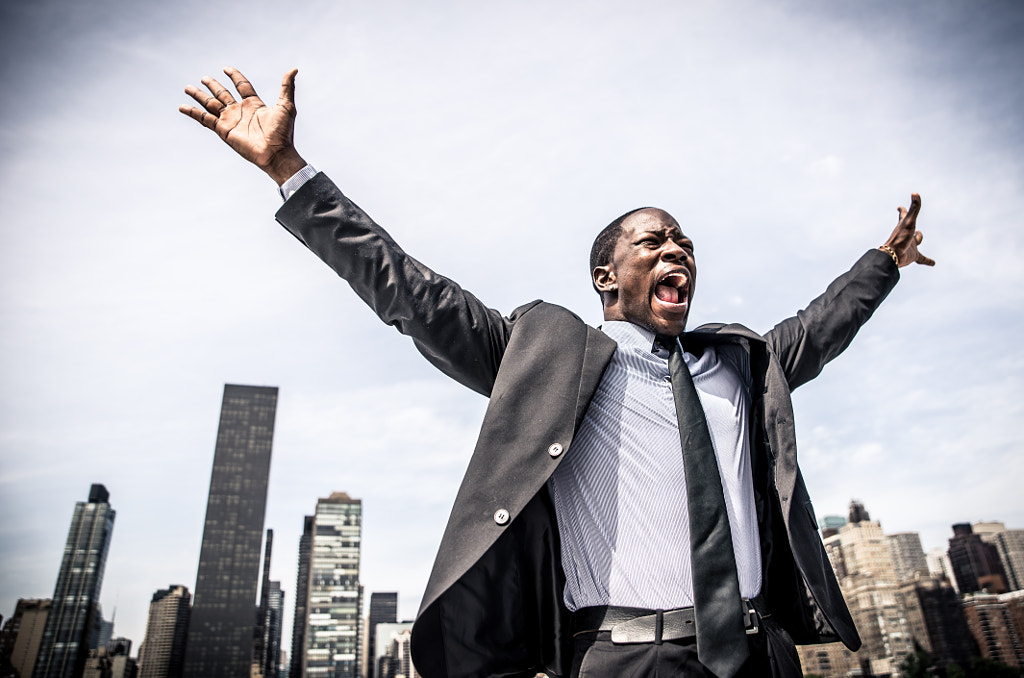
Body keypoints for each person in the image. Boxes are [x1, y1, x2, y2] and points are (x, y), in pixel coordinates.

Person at [180, 68, 934, 678]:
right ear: (607, 277)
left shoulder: (740, 365)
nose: (678, 251)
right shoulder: (544, 359)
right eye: (655, 241)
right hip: (624, 659)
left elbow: (822, 326)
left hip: (762, 656)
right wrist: (288, 170)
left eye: (686, 243)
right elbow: (406, 289)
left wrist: (885, 263)